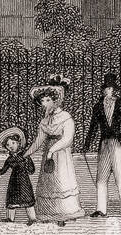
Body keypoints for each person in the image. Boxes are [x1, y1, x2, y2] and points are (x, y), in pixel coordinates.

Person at [24, 76, 84, 225]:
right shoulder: (45, 120)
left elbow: (68, 139)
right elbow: (38, 140)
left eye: (47, 100)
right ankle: (47, 213)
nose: (44, 104)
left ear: (55, 100)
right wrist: (25, 154)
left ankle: (64, 214)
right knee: (48, 183)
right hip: (48, 155)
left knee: (62, 181)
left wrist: (52, 150)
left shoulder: (66, 117)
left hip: (61, 155)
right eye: (42, 101)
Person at [84, 72, 121, 218]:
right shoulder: (98, 106)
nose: (107, 90)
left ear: (114, 90)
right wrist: (87, 144)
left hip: (117, 143)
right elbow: (93, 126)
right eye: (105, 88)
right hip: (104, 144)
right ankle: (101, 209)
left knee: (120, 176)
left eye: (110, 88)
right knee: (101, 178)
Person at [0, 127, 37, 225]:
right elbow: (4, 169)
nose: (11, 146)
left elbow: (32, 170)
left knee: (27, 199)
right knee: (11, 200)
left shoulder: (25, 156)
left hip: (24, 181)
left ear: (18, 143)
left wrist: (26, 164)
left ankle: (32, 219)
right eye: (8, 145)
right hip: (13, 182)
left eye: (13, 143)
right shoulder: (10, 159)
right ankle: (10, 218)